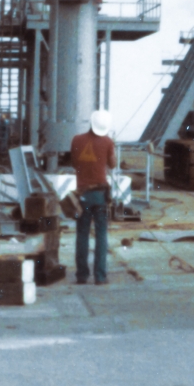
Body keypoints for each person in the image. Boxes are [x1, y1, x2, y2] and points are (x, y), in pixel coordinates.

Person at [69, 108, 116, 286]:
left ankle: (82, 276)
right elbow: (112, 164)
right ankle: (100, 277)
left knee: (82, 235)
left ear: (91, 122)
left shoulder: (76, 140)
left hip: (82, 195)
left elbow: (74, 163)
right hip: (100, 195)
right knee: (101, 235)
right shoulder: (108, 141)